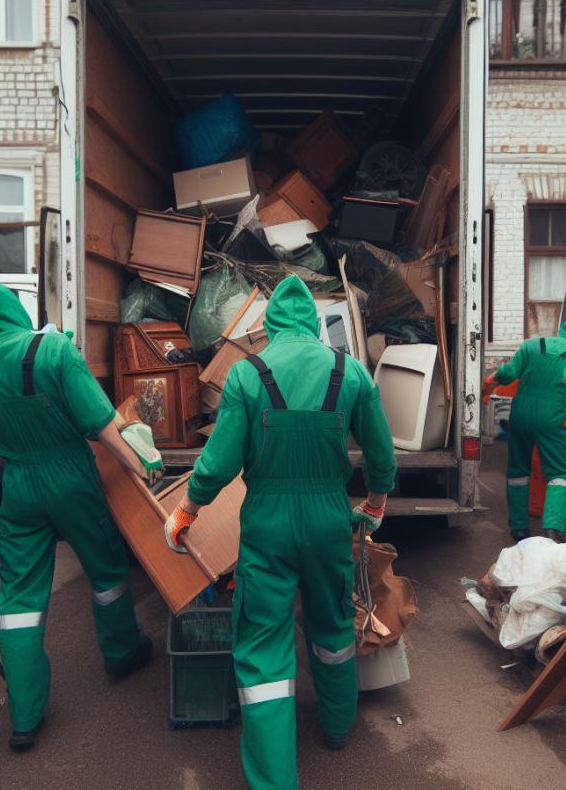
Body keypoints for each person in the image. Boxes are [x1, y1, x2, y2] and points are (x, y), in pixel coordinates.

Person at [163, 274, 396, 790]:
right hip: (328, 520)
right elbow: (381, 453)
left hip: (267, 523)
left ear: (268, 325)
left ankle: (274, 778)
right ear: (314, 323)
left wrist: (186, 510)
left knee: (264, 641)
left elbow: (218, 463)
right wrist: (375, 503)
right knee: (333, 625)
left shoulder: (248, 376)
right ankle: (337, 728)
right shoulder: (351, 372)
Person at [0, 279, 152, 752]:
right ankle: (122, 653)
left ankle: (24, 717)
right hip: (69, 478)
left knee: (19, 596)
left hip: (19, 486)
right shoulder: (53, 349)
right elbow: (99, 423)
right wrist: (141, 465)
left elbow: (1, 427)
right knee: (106, 570)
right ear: (14, 308)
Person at [482, 317, 566, 543]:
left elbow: (509, 373)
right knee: (560, 473)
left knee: (518, 472)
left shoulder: (531, 345)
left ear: (559, 334)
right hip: (550, 421)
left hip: (519, 415)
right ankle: (552, 529)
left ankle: (519, 529)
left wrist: (490, 383)